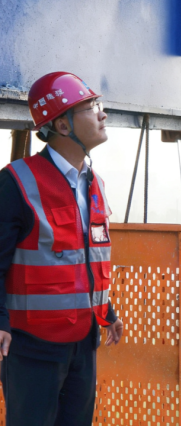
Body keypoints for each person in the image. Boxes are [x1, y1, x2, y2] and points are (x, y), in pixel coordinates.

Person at [0, 72, 124, 425]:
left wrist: (107, 311)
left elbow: (84, 259)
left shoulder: (94, 184)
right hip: (31, 345)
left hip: (83, 343)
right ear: (63, 125)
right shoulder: (16, 182)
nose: (102, 114)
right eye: (91, 108)